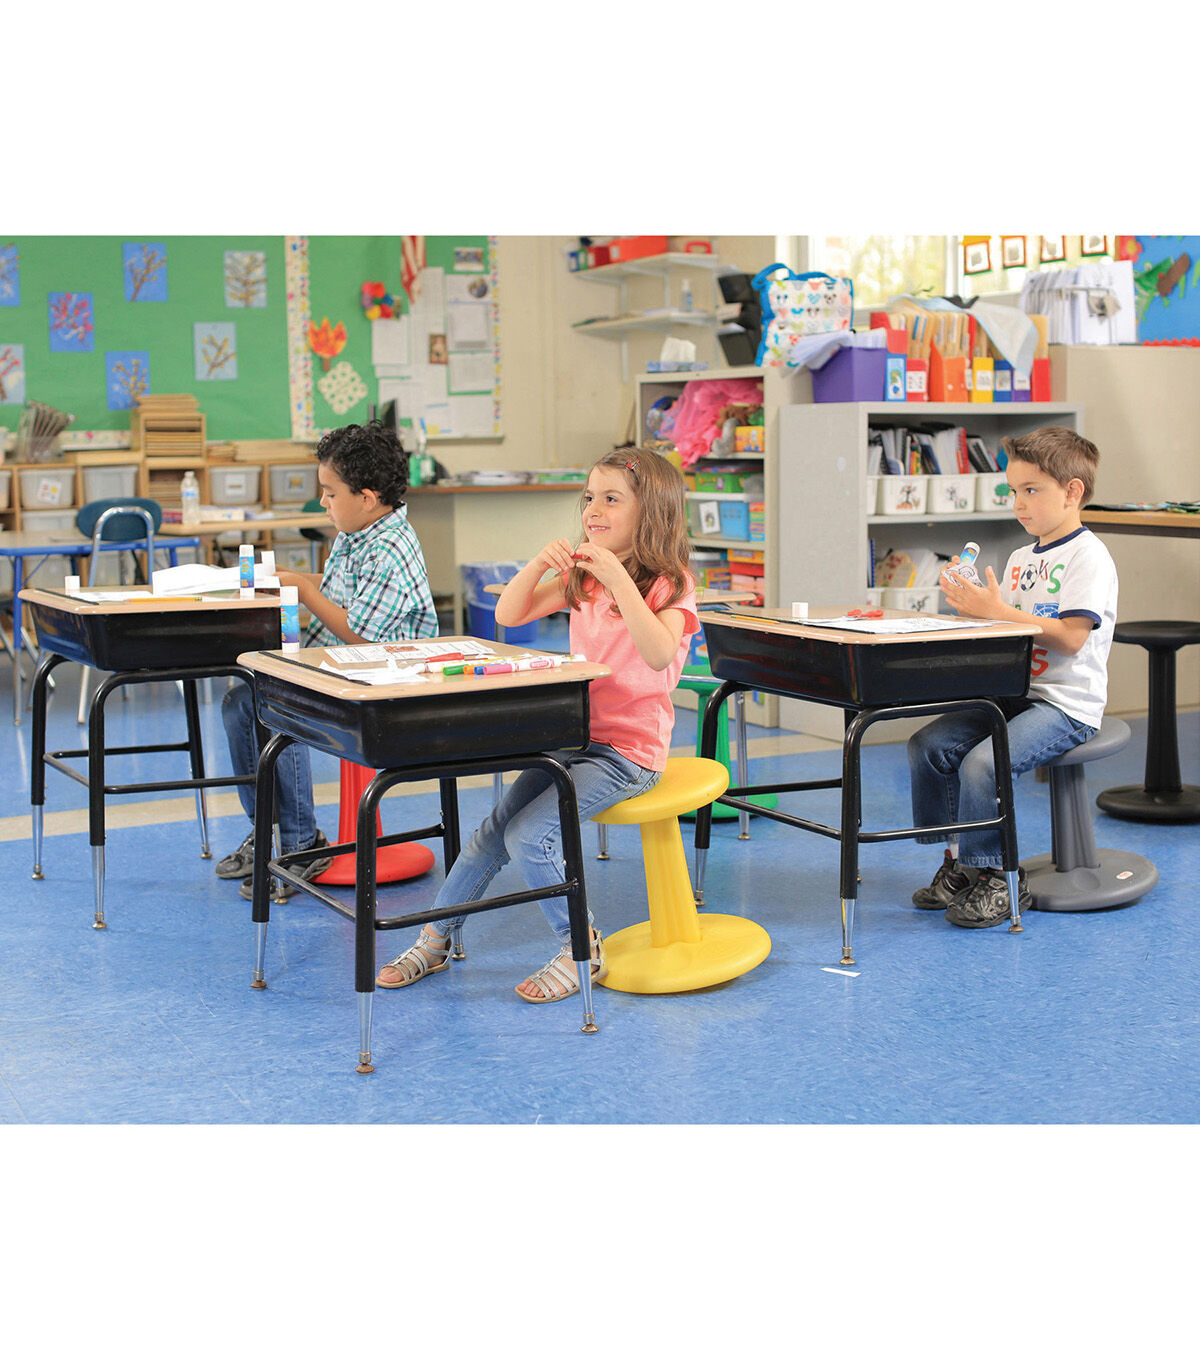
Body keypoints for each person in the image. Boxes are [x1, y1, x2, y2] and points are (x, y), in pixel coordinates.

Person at [376, 446, 699, 1002]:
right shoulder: (586, 579)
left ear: (652, 512)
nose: (593, 510)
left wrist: (621, 581)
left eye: (612, 499)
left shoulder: (672, 585)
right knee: (491, 834)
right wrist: (537, 565)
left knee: (529, 836)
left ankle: (582, 949)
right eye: (589, 498)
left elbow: (657, 653)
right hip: (572, 740)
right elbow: (509, 614)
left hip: (628, 755)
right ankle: (435, 939)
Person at [217, 420, 438, 899]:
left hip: (385, 685)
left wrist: (301, 588)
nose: (323, 502)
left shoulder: (391, 548)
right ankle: (270, 830)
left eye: (330, 493)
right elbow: (341, 590)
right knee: (239, 703)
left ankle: (300, 845)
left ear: (368, 497)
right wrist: (290, 578)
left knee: (280, 707)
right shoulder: (357, 533)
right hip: (346, 670)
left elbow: (361, 632)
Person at [908, 425, 1118, 928]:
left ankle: (998, 876)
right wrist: (973, 610)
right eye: (1013, 491)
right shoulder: (1022, 558)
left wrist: (997, 610)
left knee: (984, 764)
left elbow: (1070, 638)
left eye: (1031, 490)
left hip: (1066, 705)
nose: (1018, 503)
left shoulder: (1088, 556)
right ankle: (959, 863)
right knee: (927, 746)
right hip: (1015, 694)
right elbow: (1010, 630)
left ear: (1072, 492)